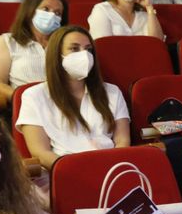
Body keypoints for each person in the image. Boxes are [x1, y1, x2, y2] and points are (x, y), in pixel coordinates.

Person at [16, 27, 130, 169]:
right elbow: (40, 152)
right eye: (74, 49)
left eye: (88, 49)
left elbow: (122, 140)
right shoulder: (34, 95)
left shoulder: (112, 92)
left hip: (110, 169)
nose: (84, 55)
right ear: (57, 55)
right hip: (63, 171)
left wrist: (110, 168)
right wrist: (74, 172)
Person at [0, 0, 66, 108]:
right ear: (30, 10)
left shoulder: (66, 43)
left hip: (64, 106)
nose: (52, 15)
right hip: (26, 106)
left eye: (57, 13)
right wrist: (23, 99)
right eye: (46, 9)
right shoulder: (8, 41)